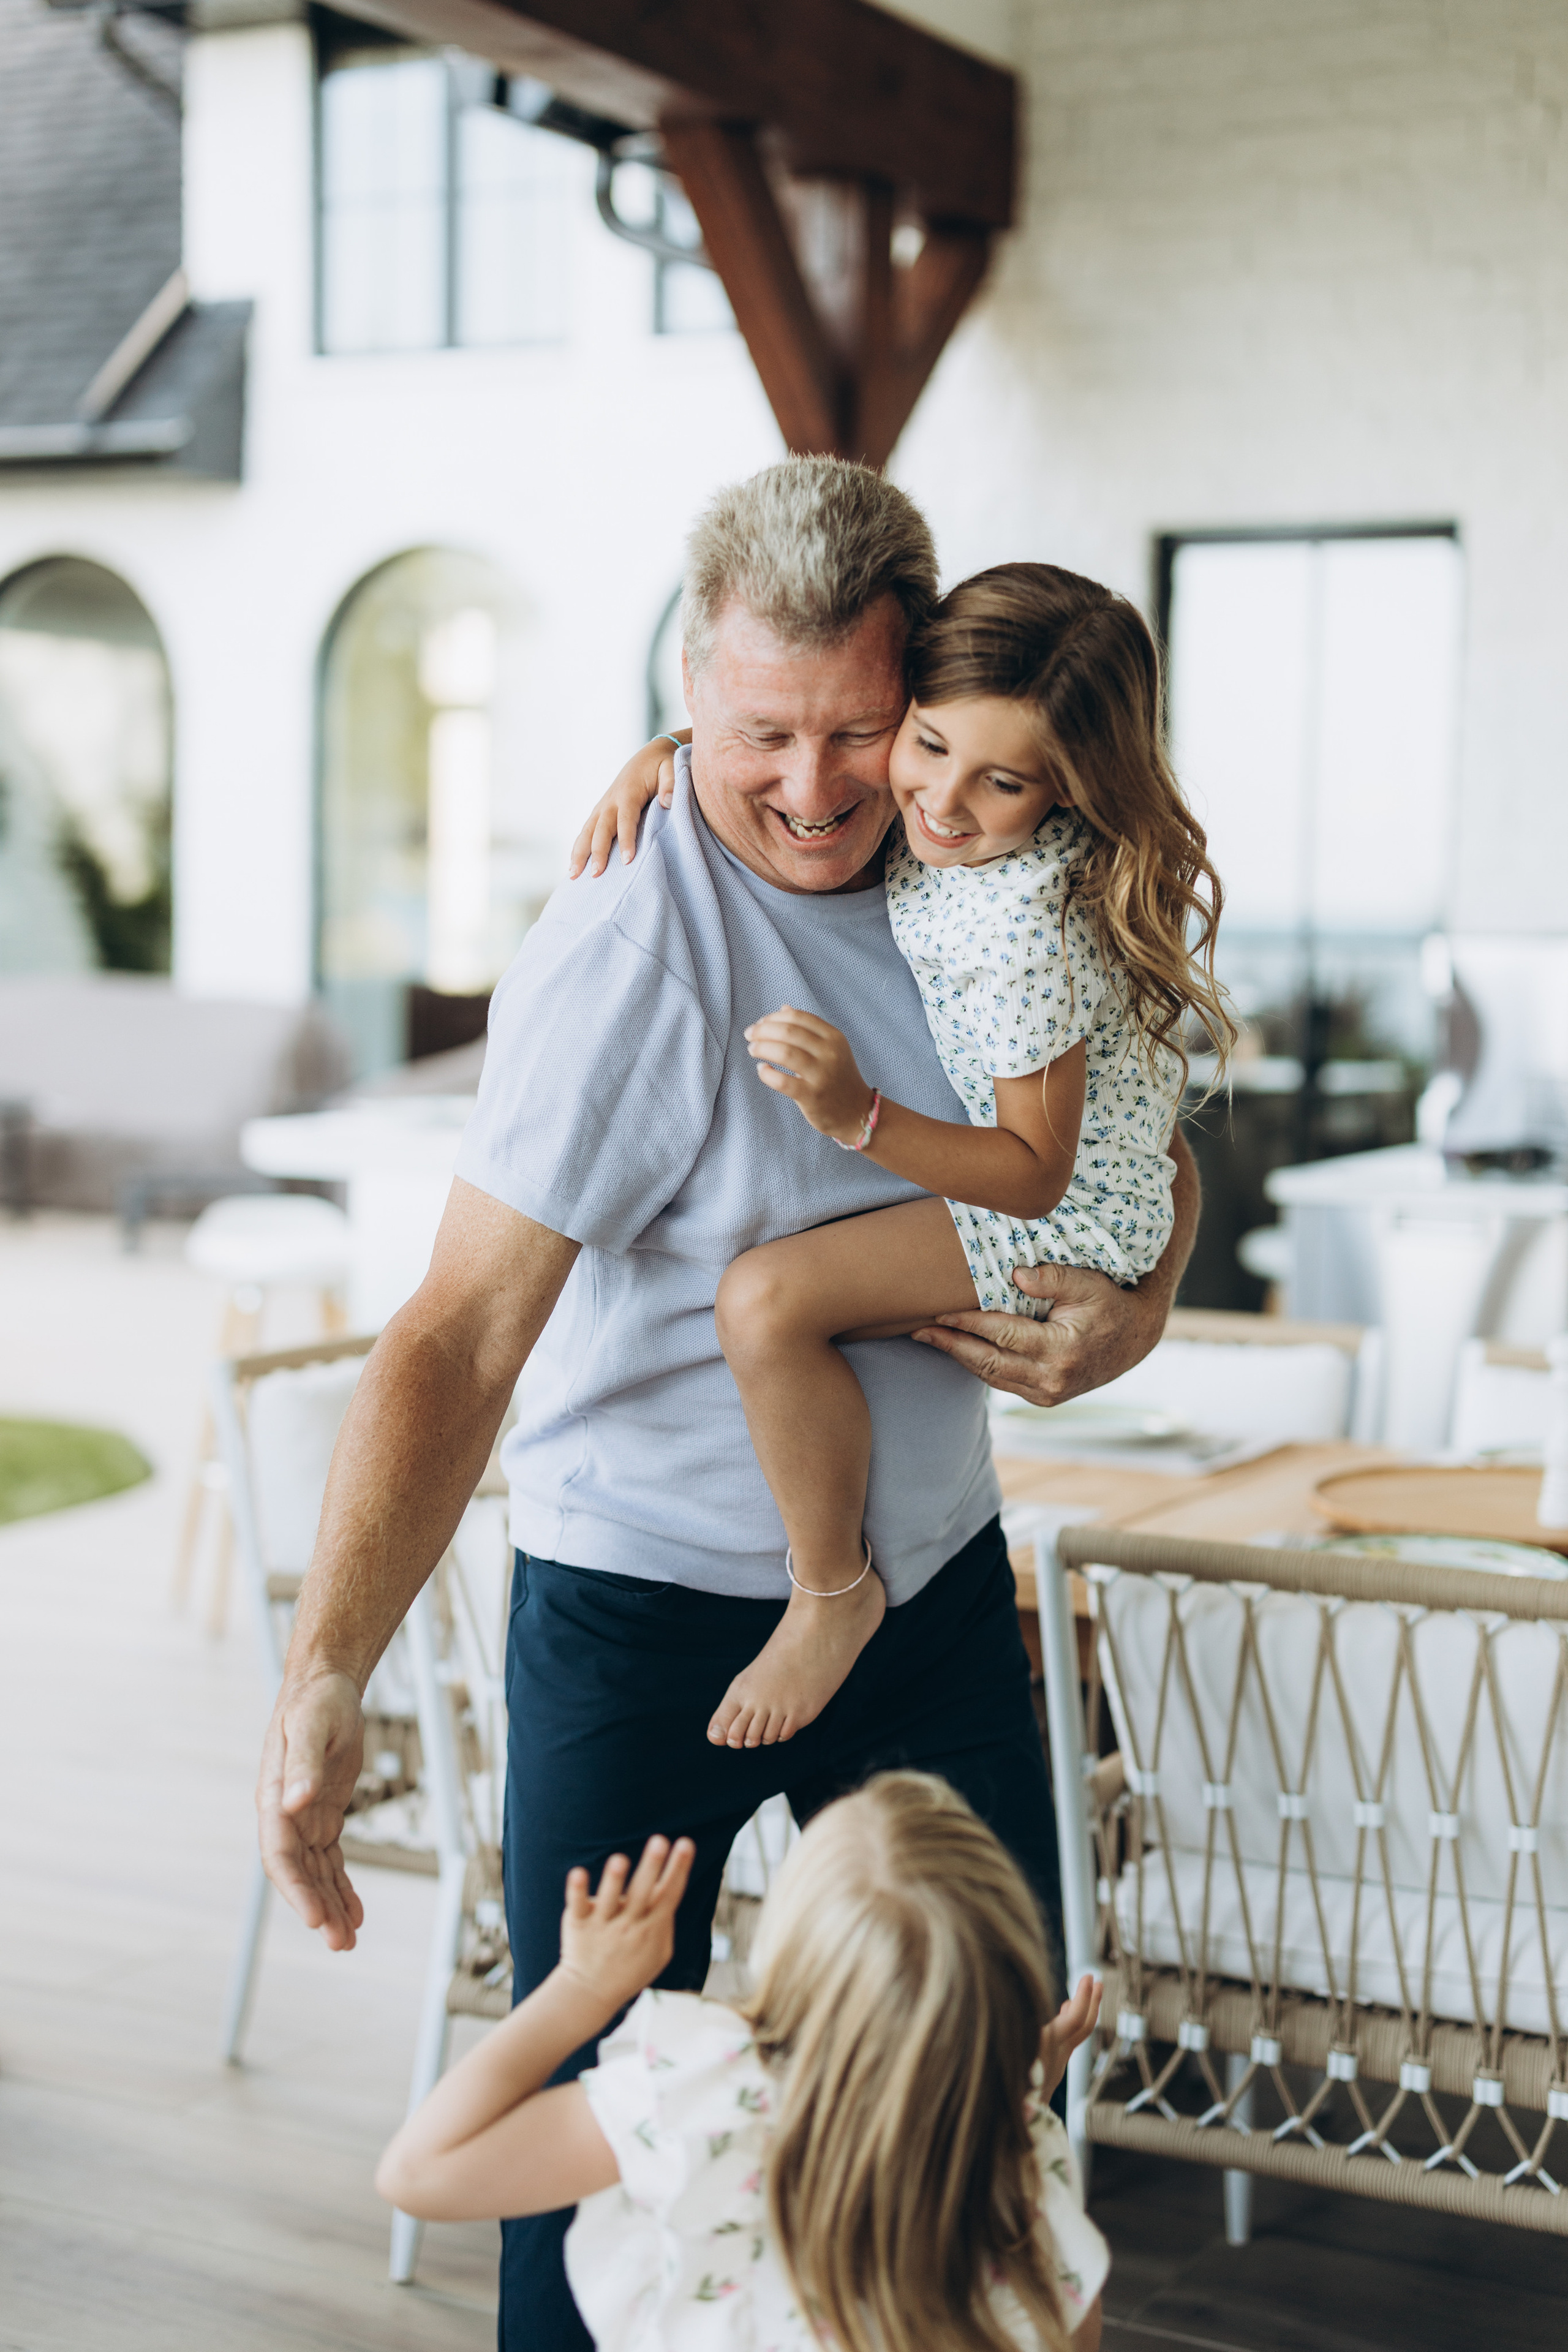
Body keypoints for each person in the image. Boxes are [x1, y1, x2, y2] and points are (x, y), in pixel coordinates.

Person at [257, 457, 1199, 2351]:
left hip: (924, 1593)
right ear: (689, 687)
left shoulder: (990, 852)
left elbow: (1145, 1130)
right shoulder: (628, 944)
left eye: (863, 728)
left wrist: (1139, 1302)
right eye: (759, 732)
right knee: (600, 2134)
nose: (819, 785)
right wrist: (324, 1670)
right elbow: (453, 1334)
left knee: (988, 2108)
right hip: (645, 1622)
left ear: (924, 691)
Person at [575, 563, 1232, 1749]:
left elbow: (1035, 1169)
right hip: (1073, 1177)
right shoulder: (938, 823)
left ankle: (832, 1591)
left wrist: (856, 1116)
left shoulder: (1025, 924)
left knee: (765, 1302)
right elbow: (809, 740)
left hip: (1065, 1210)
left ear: (1064, 791)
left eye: (1001, 782)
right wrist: (669, 756)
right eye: (925, 745)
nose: (940, 802)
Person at [377, 1773, 1107, 2352]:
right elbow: (1070, 2333)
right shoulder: (1020, 2152)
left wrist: (579, 1988)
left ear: (788, 1953)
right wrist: (1019, 2096)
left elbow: (418, 2172)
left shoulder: (710, 2096)